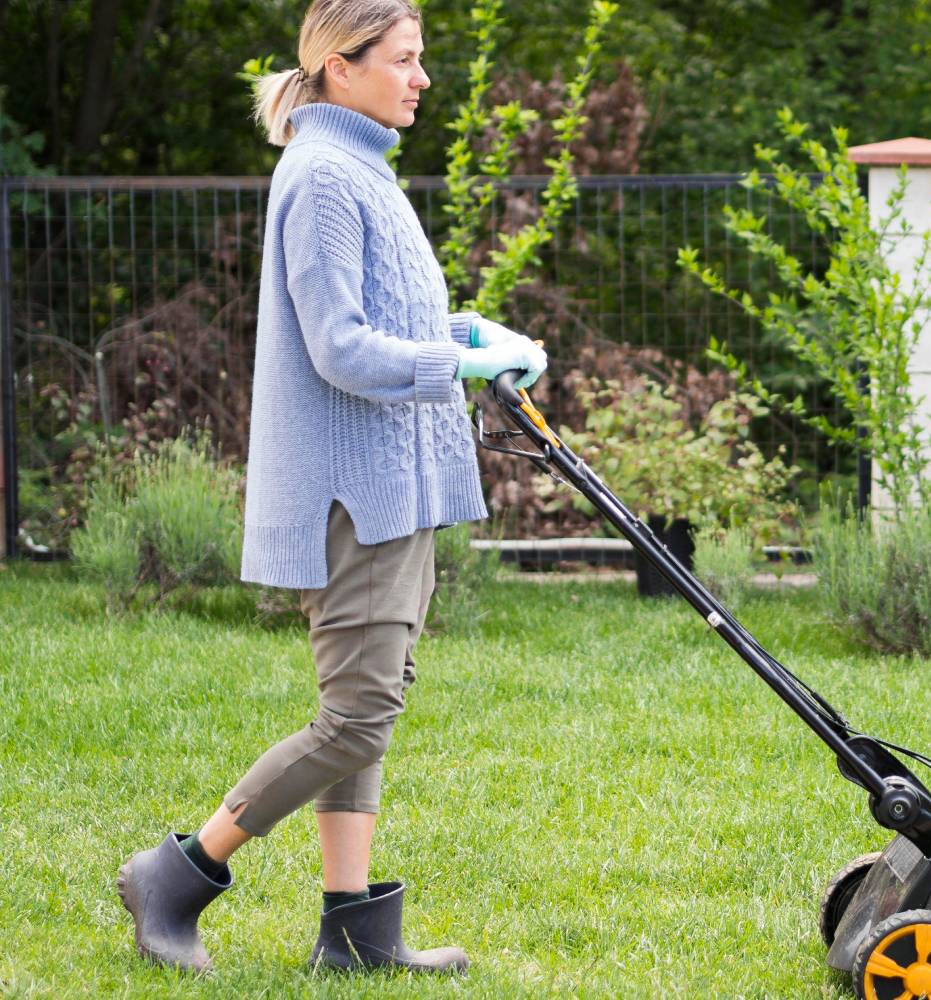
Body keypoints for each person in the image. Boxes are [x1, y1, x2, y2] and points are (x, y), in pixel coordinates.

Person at [115, 0, 544, 975]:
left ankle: (352, 934)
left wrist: (473, 335)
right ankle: (175, 873)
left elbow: (397, 312)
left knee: (371, 705)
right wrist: (459, 366)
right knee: (353, 715)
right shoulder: (319, 177)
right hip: (355, 495)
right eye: (403, 59)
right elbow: (339, 347)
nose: (420, 78)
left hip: (399, 488)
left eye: (420, 59)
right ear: (340, 67)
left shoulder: (364, 167)